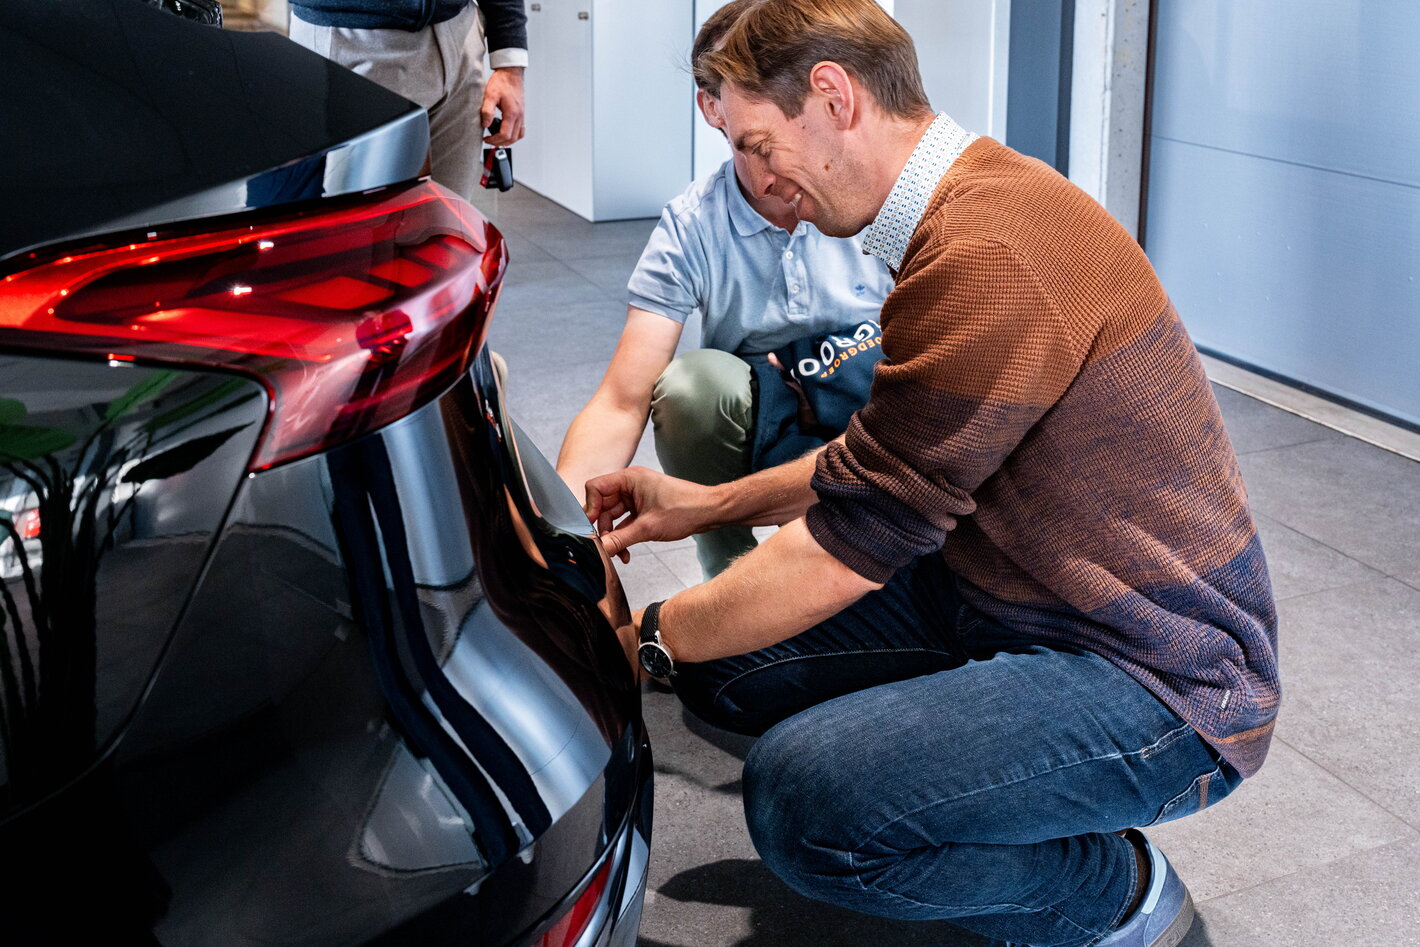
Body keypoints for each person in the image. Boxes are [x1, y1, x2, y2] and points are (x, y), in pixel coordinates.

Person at [586, 2, 1280, 946]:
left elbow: (850, 544)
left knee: (803, 801)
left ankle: (1114, 889)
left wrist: (638, 640)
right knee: (726, 672)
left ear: (832, 97)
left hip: (1157, 670)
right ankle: (990, 758)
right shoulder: (960, 208)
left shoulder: (986, 250)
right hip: (1007, 589)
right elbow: (883, 453)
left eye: (760, 142)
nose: (763, 178)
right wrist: (709, 506)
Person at [556, 5, 893, 579]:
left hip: (873, 397)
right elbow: (622, 398)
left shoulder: (874, 191)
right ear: (715, 107)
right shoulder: (694, 223)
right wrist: (557, 528)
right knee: (693, 386)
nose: (771, 179)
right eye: (751, 145)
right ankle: (725, 559)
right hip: (765, 407)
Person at [288, 0, 527, 201]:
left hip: (460, 35)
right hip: (352, 35)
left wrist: (510, 62)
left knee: (451, 228)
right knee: (364, 235)